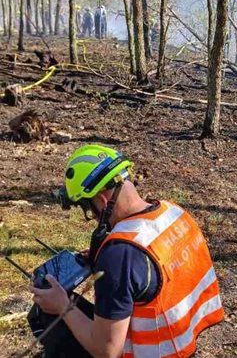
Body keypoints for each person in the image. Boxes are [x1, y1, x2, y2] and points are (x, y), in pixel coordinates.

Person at [31, 145, 224, 358]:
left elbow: (107, 351)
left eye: (88, 209)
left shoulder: (119, 255)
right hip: (183, 340)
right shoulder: (174, 213)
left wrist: (63, 306)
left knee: (46, 312)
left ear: (102, 201)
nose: (92, 217)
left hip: (152, 352)